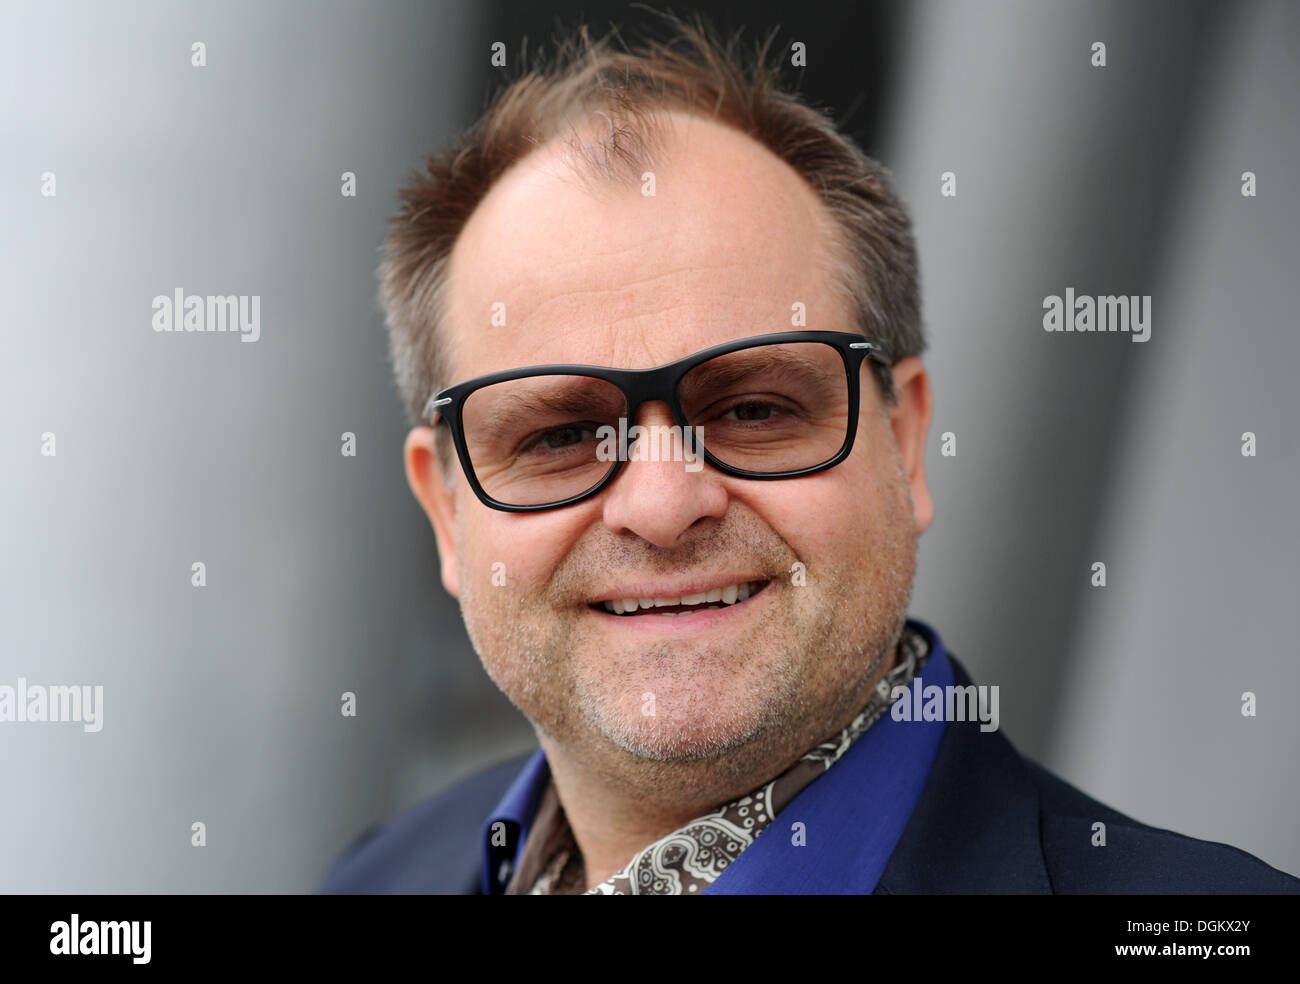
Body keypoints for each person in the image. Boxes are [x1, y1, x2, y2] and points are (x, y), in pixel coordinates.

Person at [320, 16, 1298, 894]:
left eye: (751, 407)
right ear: (447, 510)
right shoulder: (377, 878)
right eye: (562, 435)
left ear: (905, 440)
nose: (661, 507)